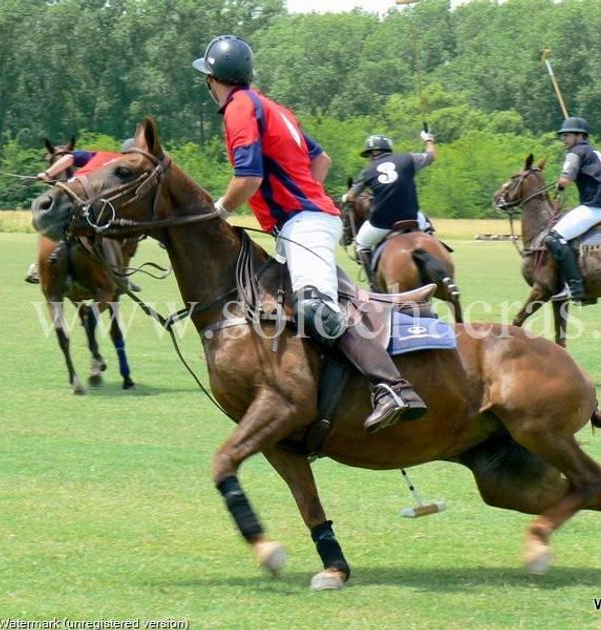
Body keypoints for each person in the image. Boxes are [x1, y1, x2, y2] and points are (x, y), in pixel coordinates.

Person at [192, 34, 426, 433]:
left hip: (305, 222)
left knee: (315, 308)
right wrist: (303, 199)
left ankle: (391, 388)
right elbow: (322, 160)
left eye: (208, 79)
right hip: (302, 221)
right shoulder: (272, 107)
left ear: (213, 79)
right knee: (286, 306)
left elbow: (248, 178)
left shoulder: (239, 108)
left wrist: (219, 213)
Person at [26, 139, 140, 289]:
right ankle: (121, 275)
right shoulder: (129, 169)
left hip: (71, 194)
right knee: (130, 231)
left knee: (52, 223)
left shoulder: (100, 154)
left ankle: (38, 267)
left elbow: (70, 157)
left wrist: (48, 173)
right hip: (93, 200)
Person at [343, 133, 436, 288]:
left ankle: (375, 285)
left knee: (361, 244)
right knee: (426, 228)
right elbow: (431, 156)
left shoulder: (368, 171)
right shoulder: (408, 159)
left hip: (383, 222)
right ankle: (434, 264)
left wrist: (346, 197)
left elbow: (352, 196)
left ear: (371, 154)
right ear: (388, 149)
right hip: (411, 216)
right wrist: (428, 139)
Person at [548, 116, 601, 302]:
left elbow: (565, 180)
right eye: (562, 135)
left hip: (594, 207)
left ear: (579, 136)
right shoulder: (600, 153)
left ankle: (575, 287)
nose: (563, 139)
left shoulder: (575, 152)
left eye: (567, 135)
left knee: (554, 238)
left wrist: (558, 186)